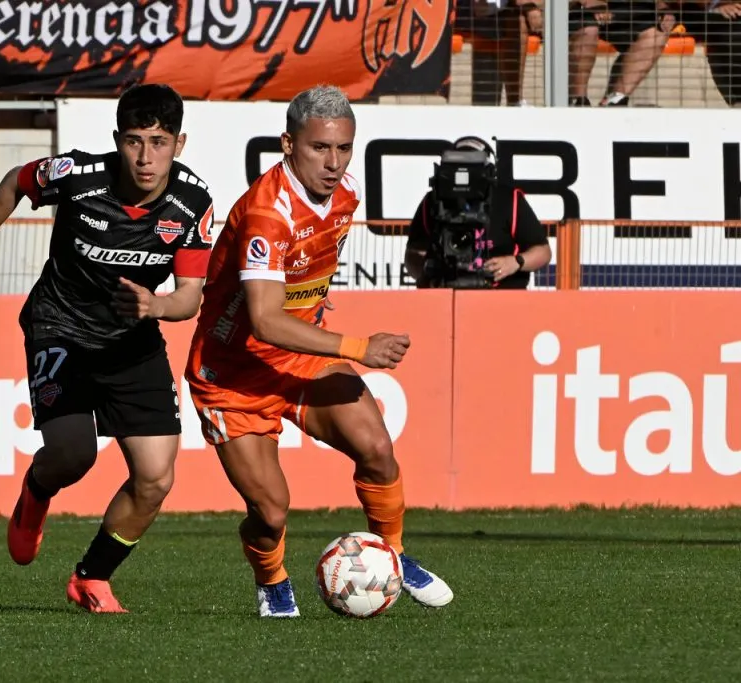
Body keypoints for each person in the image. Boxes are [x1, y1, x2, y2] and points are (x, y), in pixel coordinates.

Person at [0, 84, 214, 613]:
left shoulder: (194, 201)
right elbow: (15, 183)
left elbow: (189, 299)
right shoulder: (79, 176)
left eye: (158, 142)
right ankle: (36, 492)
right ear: (118, 140)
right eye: (134, 141)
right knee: (75, 453)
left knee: (156, 477)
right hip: (59, 326)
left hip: (132, 339)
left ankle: (91, 578)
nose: (145, 157)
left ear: (179, 143)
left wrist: (155, 308)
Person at [184, 85, 453, 618]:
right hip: (233, 377)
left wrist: (318, 310)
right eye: (319, 149)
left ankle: (392, 556)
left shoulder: (345, 194)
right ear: (288, 144)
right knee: (271, 509)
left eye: (344, 148)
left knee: (377, 447)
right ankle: (272, 579)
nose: (334, 163)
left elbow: (310, 274)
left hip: (299, 359)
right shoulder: (266, 214)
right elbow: (263, 319)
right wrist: (358, 348)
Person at [404, 136, 552, 289]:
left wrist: (515, 262)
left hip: (502, 297)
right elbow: (413, 255)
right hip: (445, 297)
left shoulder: (508, 200)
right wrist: (429, 269)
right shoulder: (434, 201)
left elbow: (543, 252)